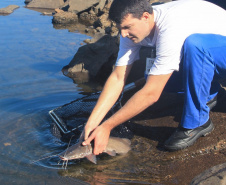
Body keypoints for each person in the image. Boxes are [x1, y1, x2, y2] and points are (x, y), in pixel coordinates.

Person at [82, 0, 226, 154]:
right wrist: (92, 122)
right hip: (212, 53)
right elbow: (118, 77)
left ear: (145, 17)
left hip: (217, 49)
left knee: (195, 46)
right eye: (120, 28)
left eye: (127, 27)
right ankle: (208, 93)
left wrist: (107, 126)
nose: (123, 34)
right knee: (152, 75)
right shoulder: (131, 29)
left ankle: (197, 122)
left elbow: (151, 94)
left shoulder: (170, 27)